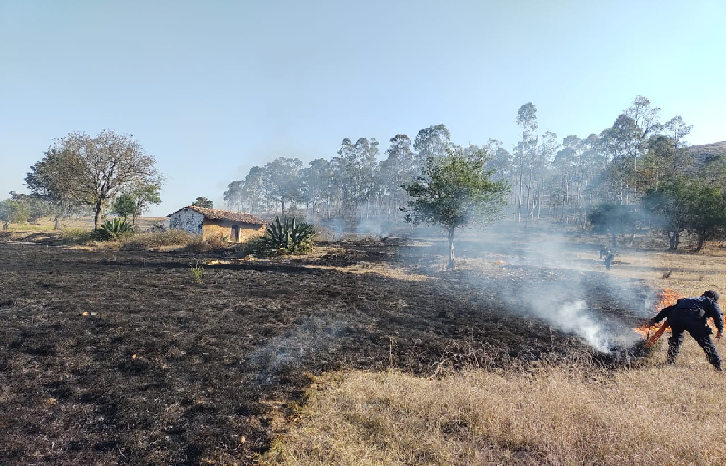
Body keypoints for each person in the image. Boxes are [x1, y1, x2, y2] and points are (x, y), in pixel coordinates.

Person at [649, 290, 724, 371]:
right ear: (714, 299)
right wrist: (720, 329)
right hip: (693, 319)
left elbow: (668, 309)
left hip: (676, 317)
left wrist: (655, 319)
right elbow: (717, 314)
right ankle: (717, 366)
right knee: (706, 342)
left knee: (676, 339)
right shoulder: (710, 301)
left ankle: (670, 361)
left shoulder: (688, 300)